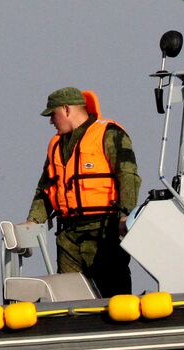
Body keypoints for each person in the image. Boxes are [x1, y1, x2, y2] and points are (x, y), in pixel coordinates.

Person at [27, 86, 140, 298]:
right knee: (68, 296)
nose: (51, 121)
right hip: (68, 236)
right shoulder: (55, 146)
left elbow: (128, 175)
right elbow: (46, 189)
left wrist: (125, 214)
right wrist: (33, 221)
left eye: (53, 115)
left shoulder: (109, 134)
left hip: (104, 231)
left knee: (113, 293)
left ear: (67, 110)